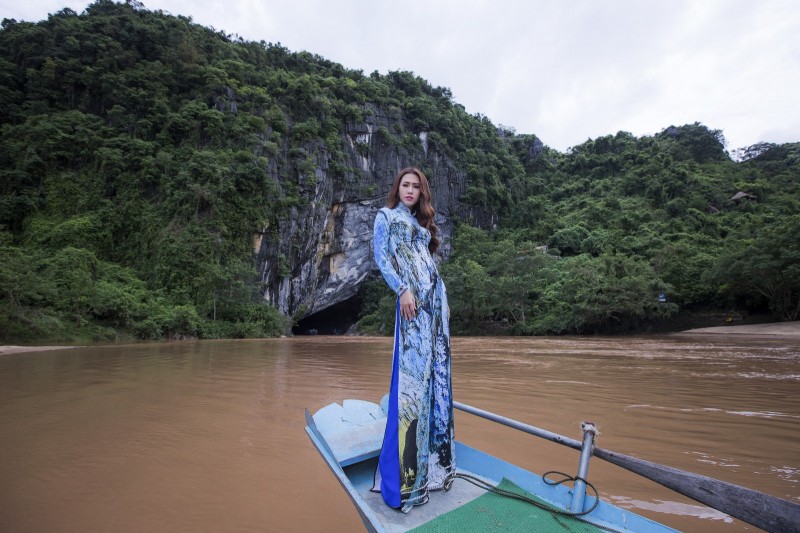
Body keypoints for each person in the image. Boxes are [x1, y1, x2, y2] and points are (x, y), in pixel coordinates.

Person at [370, 167, 455, 513]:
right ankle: (405, 483)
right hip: (411, 310)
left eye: (415, 186)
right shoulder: (386, 217)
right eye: (405, 185)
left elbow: (430, 266)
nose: (410, 190)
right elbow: (382, 257)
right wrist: (402, 289)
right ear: (397, 188)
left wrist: (444, 302)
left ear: (422, 192)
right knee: (411, 390)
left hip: (435, 310)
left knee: (438, 384)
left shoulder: (421, 226)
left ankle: (434, 471)